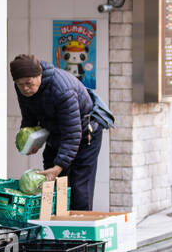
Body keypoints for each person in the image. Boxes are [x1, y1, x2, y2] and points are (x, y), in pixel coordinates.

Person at [11, 53, 105, 211]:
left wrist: (59, 165)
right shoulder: (23, 87)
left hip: (83, 134)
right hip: (56, 132)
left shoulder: (62, 89)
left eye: (29, 83)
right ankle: (55, 230)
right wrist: (30, 142)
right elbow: (28, 116)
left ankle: (79, 232)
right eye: (20, 84)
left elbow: (73, 134)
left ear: (39, 74)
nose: (25, 88)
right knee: (52, 180)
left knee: (78, 186)